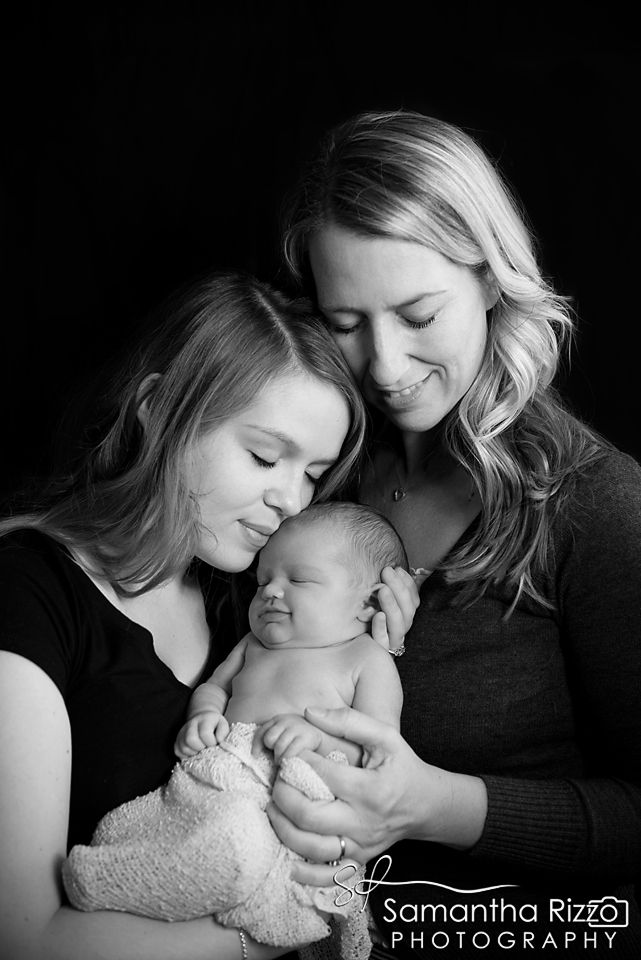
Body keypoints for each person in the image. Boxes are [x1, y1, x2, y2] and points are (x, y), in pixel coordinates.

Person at [268, 110, 641, 958]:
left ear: (489, 278)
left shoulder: (593, 504)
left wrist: (428, 803)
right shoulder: (308, 478)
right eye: (344, 322)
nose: (386, 367)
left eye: (417, 313)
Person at [0, 271, 391, 960]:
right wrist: (263, 931)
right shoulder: (27, 591)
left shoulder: (248, 595)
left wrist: (377, 622)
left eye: (312, 473)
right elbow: (21, 937)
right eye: (265, 456)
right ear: (158, 409)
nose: (290, 502)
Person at [61, 501, 406, 960]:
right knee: (136, 822)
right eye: (264, 580)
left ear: (367, 603)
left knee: (240, 848)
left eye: (297, 580)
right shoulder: (252, 646)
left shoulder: (367, 661)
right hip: (219, 779)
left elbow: (381, 755)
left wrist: (318, 739)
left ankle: (128, 887)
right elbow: (214, 689)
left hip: (287, 801)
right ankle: (117, 870)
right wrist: (203, 716)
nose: (271, 593)